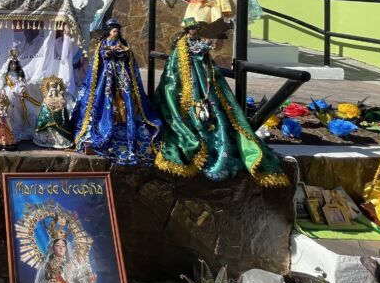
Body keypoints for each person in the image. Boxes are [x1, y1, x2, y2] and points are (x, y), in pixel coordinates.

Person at [153, 18, 288, 187]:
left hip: (204, 79)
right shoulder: (181, 46)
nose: (194, 31)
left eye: (195, 28)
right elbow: (176, 68)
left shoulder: (198, 42)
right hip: (189, 83)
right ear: (187, 30)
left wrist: (203, 53)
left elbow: (205, 56)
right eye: (191, 29)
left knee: (217, 108)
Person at [72, 19, 163, 165]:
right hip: (107, 78)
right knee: (106, 100)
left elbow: (128, 56)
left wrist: (122, 52)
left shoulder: (123, 42)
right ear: (108, 31)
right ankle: (106, 126)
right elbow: (102, 55)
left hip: (122, 76)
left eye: (117, 30)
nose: (116, 32)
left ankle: (128, 132)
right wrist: (111, 52)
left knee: (127, 100)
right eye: (114, 30)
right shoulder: (103, 43)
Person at [33, 76, 74, 149]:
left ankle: (61, 140)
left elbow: (63, 105)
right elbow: (44, 109)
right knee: (46, 119)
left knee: (61, 123)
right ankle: (46, 139)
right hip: (48, 117)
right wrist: (48, 110)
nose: (53, 93)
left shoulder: (60, 98)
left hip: (58, 116)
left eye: (55, 91)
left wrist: (60, 104)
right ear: (49, 92)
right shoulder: (47, 99)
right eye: (51, 91)